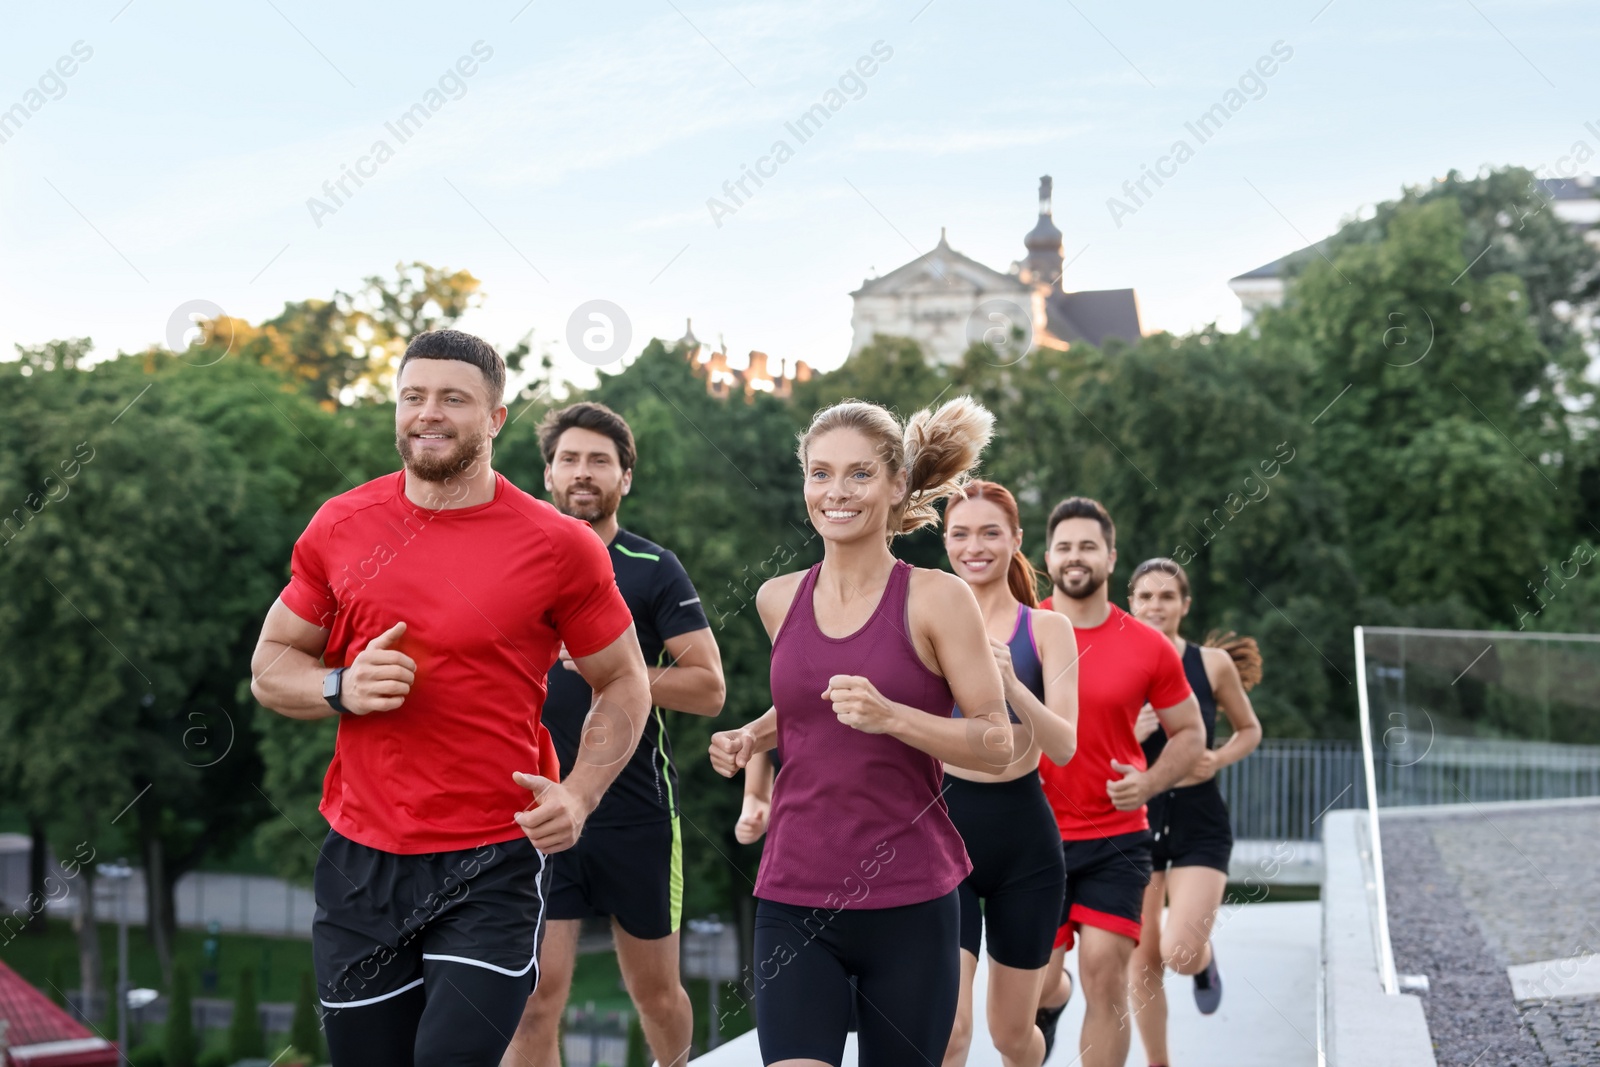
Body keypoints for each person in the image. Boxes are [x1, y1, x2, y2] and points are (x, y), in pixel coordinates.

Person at [249, 329, 652, 1067]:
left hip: (491, 861)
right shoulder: (341, 526)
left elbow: (624, 679)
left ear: (495, 417)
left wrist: (581, 794)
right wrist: (341, 685)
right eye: (413, 397)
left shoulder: (559, 544)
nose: (428, 414)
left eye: (453, 399)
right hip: (362, 862)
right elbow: (271, 664)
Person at [707, 397, 1013, 1067]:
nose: (835, 493)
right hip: (793, 893)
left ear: (898, 483)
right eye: (820, 474)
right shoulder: (778, 598)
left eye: (859, 474)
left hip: (912, 900)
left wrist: (894, 717)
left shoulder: (937, 598)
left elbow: (997, 741)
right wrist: (751, 736)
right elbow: (811, 708)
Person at [504, 403, 726, 1067]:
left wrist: (621, 671)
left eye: (599, 460)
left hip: (636, 813)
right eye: (569, 458)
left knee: (654, 994)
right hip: (538, 804)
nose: (583, 472)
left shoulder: (652, 567)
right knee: (537, 996)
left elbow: (710, 688)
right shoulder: (514, 562)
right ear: (547, 473)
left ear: (625, 476)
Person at [1032, 497, 1204, 1067]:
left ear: (1110, 556)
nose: (1075, 557)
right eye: (1064, 547)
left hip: (1116, 836)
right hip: (1032, 839)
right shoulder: (1021, 631)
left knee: (1106, 975)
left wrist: (1149, 782)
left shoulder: (1148, 644)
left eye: (1087, 546)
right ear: (1048, 557)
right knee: (1038, 982)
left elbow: (1190, 734)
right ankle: (1050, 1002)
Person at [939, 481, 1079, 1067]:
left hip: (1025, 843)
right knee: (950, 1033)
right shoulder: (926, 622)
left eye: (990, 532)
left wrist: (1014, 685)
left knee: (1011, 1037)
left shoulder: (1047, 629)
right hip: (944, 836)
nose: (975, 546)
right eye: (960, 533)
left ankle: (1054, 1003)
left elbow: (1065, 746)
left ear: (1016, 539)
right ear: (944, 541)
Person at [1125, 558, 1263, 1065]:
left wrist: (1216, 758)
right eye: (1145, 597)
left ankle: (1202, 962)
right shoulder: (1115, 662)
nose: (1155, 606)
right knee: (1140, 960)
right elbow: (1083, 744)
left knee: (1177, 952)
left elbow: (1249, 729)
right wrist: (1130, 737)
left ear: (1184, 605)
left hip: (1199, 823)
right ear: (1130, 603)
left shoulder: (1210, 665)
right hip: (1135, 823)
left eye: (1166, 597)